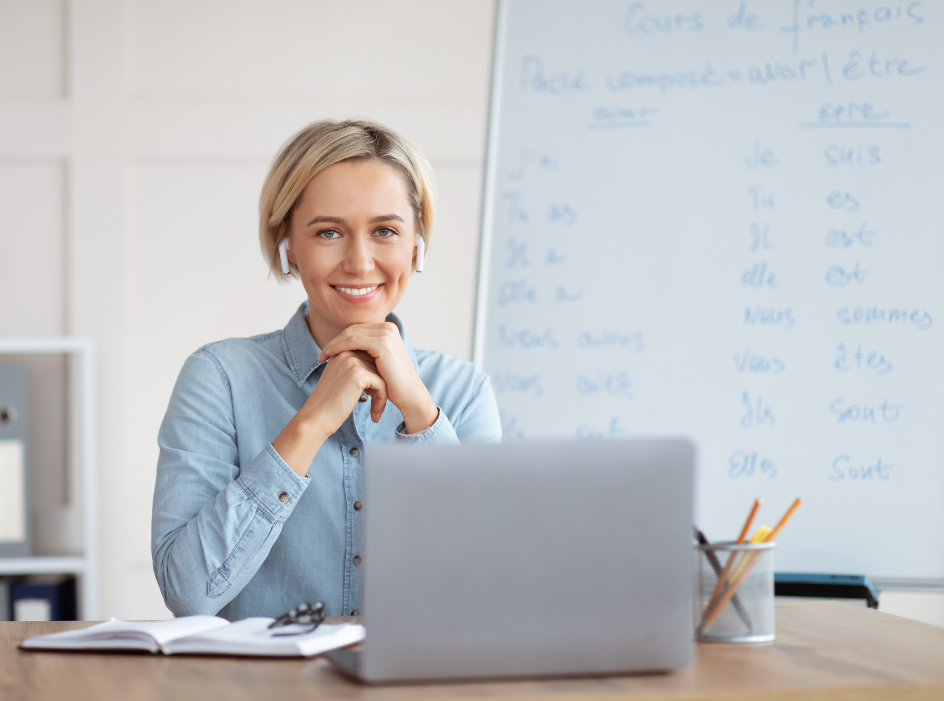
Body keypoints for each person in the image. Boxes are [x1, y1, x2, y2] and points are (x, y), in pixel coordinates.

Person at [151, 120, 501, 619]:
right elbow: (188, 593)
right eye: (329, 232)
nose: (359, 263)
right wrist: (310, 423)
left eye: (385, 231)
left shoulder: (462, 392)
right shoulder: (220, 379)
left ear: (416, 243)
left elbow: (488, 591)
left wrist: (422, 416)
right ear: (287, 244)